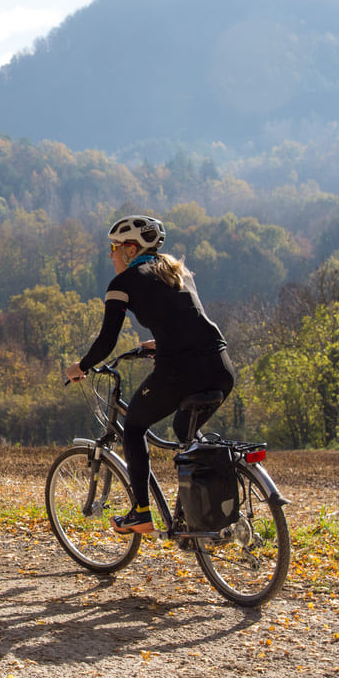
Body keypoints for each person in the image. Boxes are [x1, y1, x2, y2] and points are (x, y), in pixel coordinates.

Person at [64, 214, 236, 534]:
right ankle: (200, 521)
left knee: (133, 426)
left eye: (114, 247)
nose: (111, 254)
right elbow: (190, 317)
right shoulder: (177, 271)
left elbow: (106, 341)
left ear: (131, 249)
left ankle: (140, 513)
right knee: (186, 434)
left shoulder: (123, 283)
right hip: (220, 365)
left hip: (180, 370)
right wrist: (163, 342)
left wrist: (81, 366)